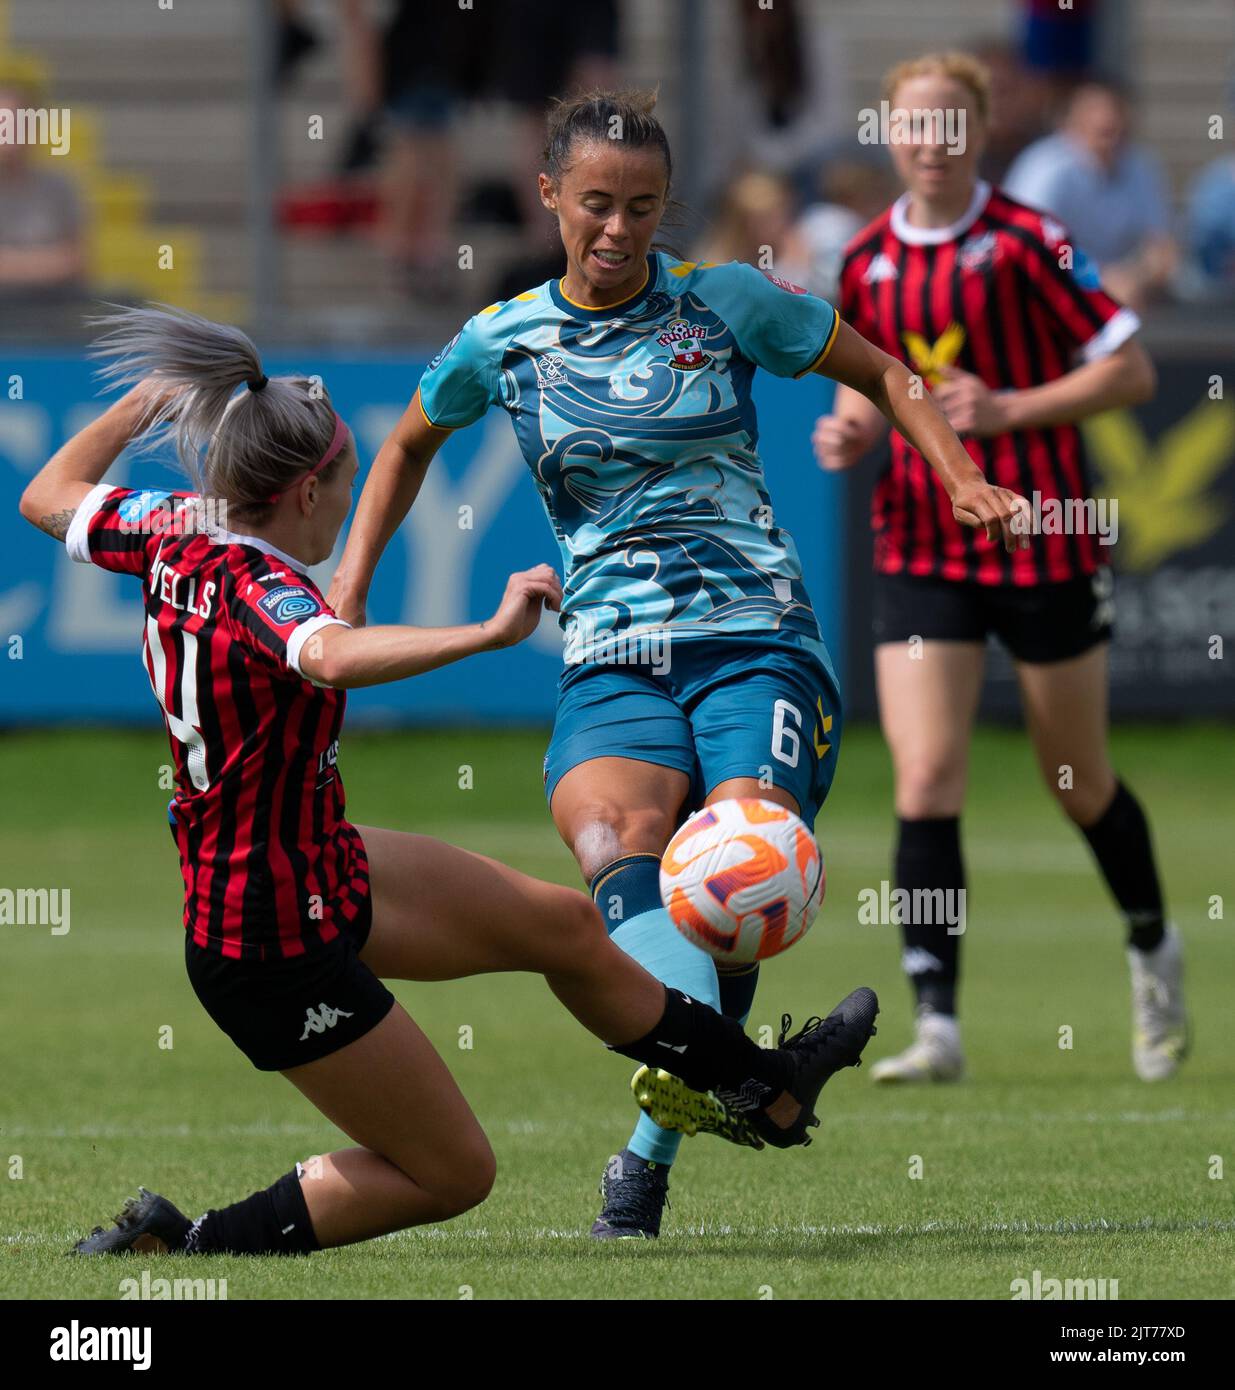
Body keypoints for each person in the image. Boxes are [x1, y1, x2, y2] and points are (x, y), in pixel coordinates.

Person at [18, 303, 882, 1257]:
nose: (350, 512)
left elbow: (49, 492)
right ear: (306, 490)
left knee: (565, 927)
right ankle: (186, 1247)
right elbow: (332, 657)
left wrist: (146, 402)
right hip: (266, 938)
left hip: (316, 864)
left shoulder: (168, 527)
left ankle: (763, 1083)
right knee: (453, 1174)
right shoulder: (263, 588)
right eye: (344, 488)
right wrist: (486, 633)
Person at [326, 88, 1028, 1239]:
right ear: (548, 193)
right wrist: (351, 587)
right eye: (594, 203)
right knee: (614, 849)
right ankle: (752, 1083)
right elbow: (405, 443)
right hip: (609, 653)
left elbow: (886, 372)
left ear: (666, 209)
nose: (616, 229)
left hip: (756, 635)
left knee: (736, 865)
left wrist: (955, 476)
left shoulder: (726, 302)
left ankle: (648, 1151)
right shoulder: (502, 339)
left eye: (641, 208)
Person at [813, 52, 1186, 1087]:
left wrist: (1007, 408)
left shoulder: (1034, 241)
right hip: (920, 542)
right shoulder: (861, 259)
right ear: (886, 131)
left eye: (949, 125)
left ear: (977, 134)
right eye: (911, 125)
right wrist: (846, 430)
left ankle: (1152, 948)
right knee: (926, 774)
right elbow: (865, 389)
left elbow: (1130, 364)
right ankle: (935, 1019)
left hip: (1039, 535)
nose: (929, 143)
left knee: (1076, 781)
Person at [1004, 77, 1177, 311]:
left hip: (1126, 298)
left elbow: (1160, 250)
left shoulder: (1142, 167)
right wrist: (1097, 280)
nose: (1106, 118)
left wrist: (1136, 277)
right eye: (1095, 109)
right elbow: (1030, 246)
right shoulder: (1045, 168)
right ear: (1069, 120)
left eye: (1114, 109)